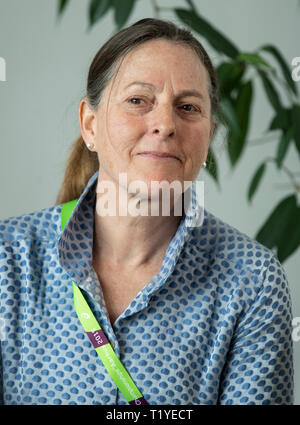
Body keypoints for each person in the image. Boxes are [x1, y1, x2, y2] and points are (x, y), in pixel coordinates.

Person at [0, 18, 294, 405]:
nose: (165, 124)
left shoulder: (253, 281)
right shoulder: (9, 260)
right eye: (138, 101)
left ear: (209, 138)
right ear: (90, 125)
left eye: (188, 107)